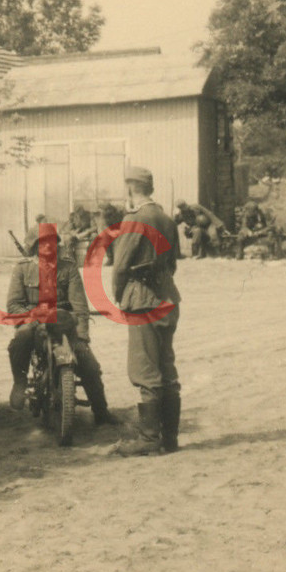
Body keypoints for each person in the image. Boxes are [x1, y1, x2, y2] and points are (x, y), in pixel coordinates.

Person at [6, 227, 119, 426]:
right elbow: (13, 304)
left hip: (63, 322)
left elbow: (80, 306)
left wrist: (82, 336)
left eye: (52, 242)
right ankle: (20, 381)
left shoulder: (68, 268)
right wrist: (32, 317)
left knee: (89, 365)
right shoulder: (22, 268)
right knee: (20, 339)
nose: (49, 247)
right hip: (34, 321)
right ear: (34, 247)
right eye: (43, 243)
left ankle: (101, 411)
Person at [112, 166, 182, 456]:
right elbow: (173, 263)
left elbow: (119, 267)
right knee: (166, 367)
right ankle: (169, 439)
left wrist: (120, 297)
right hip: (168, 298)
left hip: (143, 300)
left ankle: (149, 438)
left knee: (145, 369)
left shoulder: (133, 219)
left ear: (131, 188)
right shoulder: (166, 219)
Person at [97, 202, 124, 266]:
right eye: (105, 210)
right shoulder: (103, 215)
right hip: (110, 231)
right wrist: (110, 232)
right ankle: (110, 258)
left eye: (108, 210)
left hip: (120, 231)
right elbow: (104, 226)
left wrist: (119, 232)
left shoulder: (119, 213)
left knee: (119, 240)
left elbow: (124, 223)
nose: (107, 211)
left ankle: (119, 259)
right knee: (104, 239)